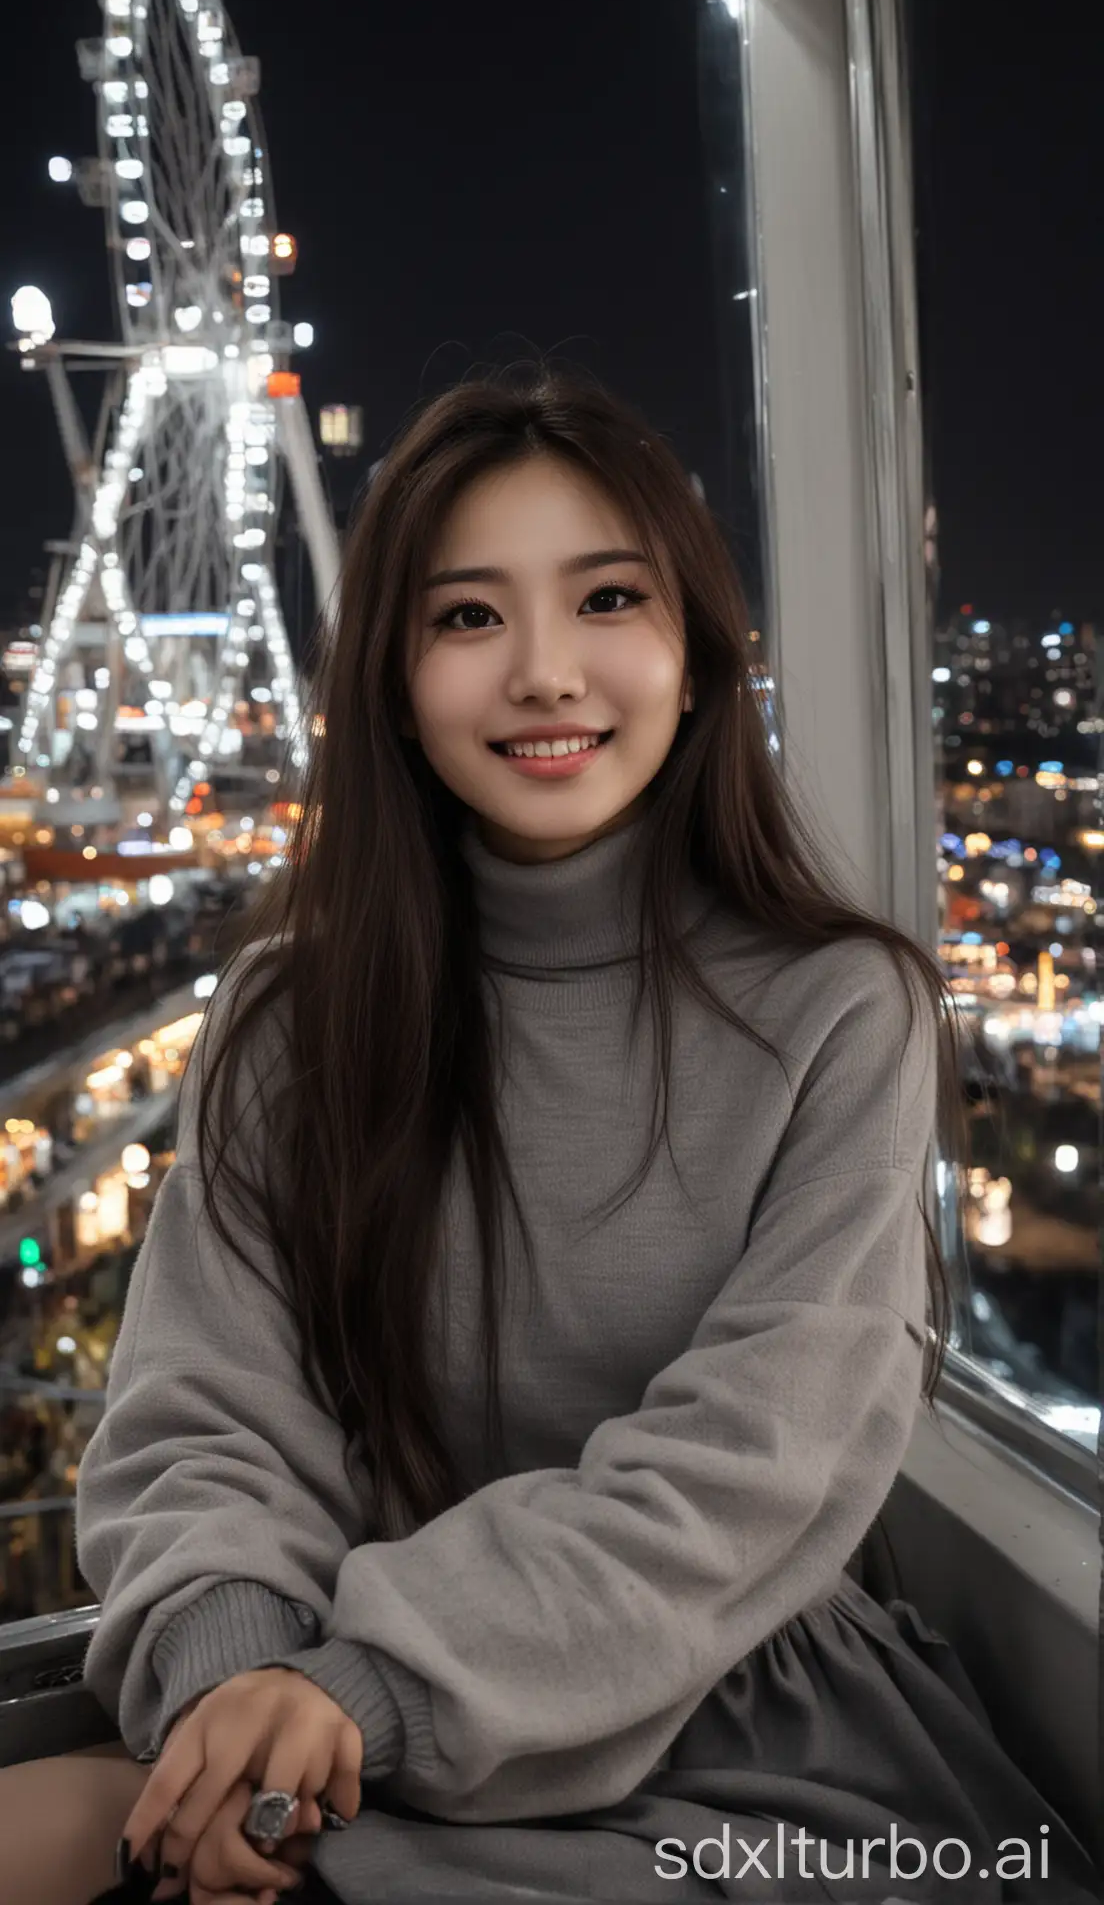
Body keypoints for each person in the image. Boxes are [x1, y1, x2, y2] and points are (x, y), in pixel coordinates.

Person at [0, 366, 1096, 1905]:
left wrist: (363, 1695)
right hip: (324, 1720)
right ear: (387, 675)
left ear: (698, 654)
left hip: (750, 1746)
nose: (542, 673)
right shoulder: (288, 1019)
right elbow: (203, 1418)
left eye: (605, 601)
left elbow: (745, 1472)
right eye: (466, 617)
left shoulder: (842, 1010)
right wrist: (229, 1690)